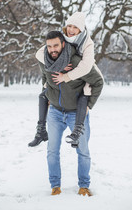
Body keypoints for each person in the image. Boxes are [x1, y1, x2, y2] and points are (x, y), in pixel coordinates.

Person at [36, 30, 103, 196]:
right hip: (55, 113)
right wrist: (48, 93)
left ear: (63, 44)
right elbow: (44, 78)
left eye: (56, 45)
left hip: (76, 114)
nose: (52, 49)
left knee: (83, 150)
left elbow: (98, 82)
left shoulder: (76, 62)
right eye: (49, 46)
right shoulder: (45, 60)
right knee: (52, 151)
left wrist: (89, 105)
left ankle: (84, 186)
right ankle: (55, 186)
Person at [28, 12, 99, 148]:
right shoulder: (63, 38)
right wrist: (58, 65)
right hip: (67, 78)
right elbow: (39, 54)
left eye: (75, 27)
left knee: (85, 94)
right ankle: (41, 131)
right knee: (43, 94)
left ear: (81, 29)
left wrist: (65, 76)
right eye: (69, 26)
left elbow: (86, 67)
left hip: (85, 73)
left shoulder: (87, 43)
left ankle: (77, 132)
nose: (71, 30)